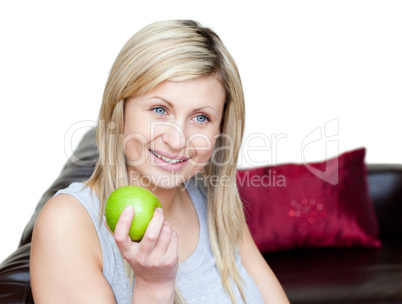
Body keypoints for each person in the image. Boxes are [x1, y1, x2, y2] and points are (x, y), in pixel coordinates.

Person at [30, 20, 289, 304]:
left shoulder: (214, 199)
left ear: (221, 129)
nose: (178, 141)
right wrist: (154, 286)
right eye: (159, 109)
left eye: (201, 117)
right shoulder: (69, 223)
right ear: (121, 110)